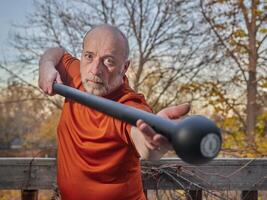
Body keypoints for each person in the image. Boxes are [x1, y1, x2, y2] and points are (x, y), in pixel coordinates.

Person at [39, 24, 190, 200]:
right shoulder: (78, 75)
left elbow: (144, 141)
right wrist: (46, 65)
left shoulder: (129, 105)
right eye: (89, 56)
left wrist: (154, 143)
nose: (95, 70)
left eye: (108, 60)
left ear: (124, 67)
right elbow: (56, 52)